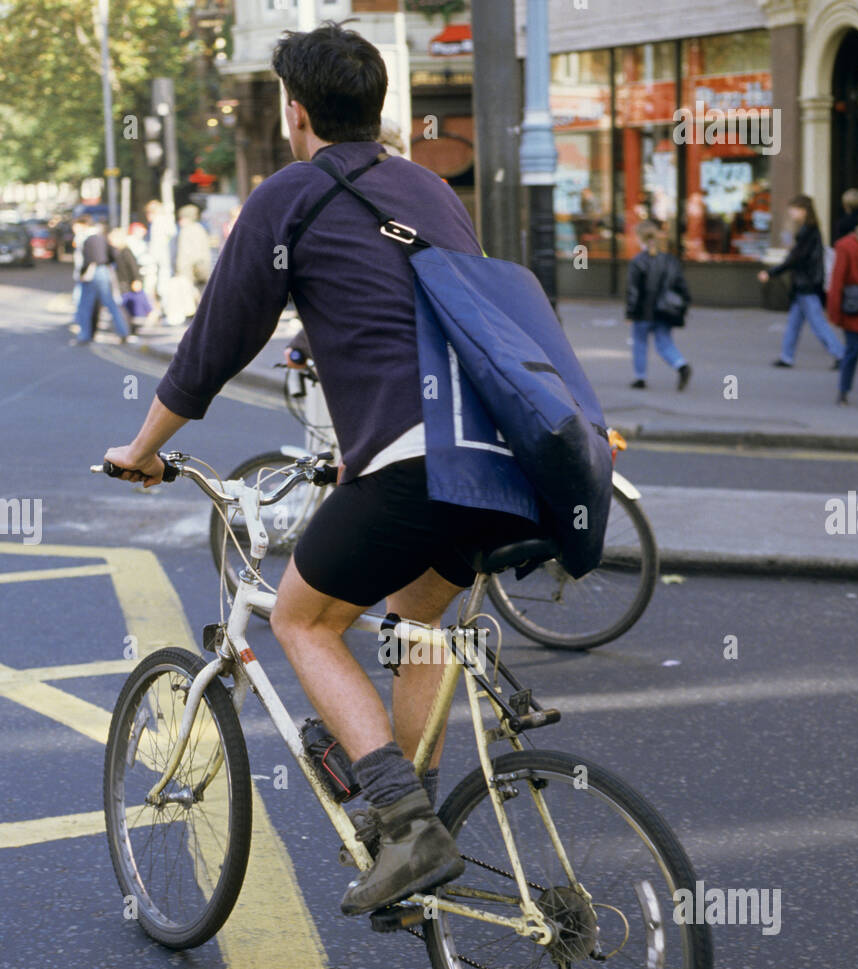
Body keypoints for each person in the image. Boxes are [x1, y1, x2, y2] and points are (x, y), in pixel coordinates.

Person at [102, 23, 550, 918]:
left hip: (416, 464)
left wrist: (142, 450)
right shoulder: (424, 186)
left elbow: (212, 348)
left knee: (304, 621)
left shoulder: (289, 196)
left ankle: (406, 824)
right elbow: (426, 306)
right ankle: (403, 830)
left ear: (295, 112)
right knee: (415, 619)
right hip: (500, 461)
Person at [757, 195, 843, 368]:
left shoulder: (808, 231)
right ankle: (787, 356)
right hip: (803, 284)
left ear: (803, 210)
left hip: (806, 285)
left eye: (794, 209)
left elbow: (795, 258)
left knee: (817, 323)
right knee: (794, 323)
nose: (791, 213)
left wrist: (771, 272)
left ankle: (840, 354)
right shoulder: (809, 230)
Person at [625, 219, 692, 390]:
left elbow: (633, 291)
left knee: (640, 343)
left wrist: (630, 313)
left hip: (643, 311)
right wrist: (682, 306)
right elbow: (681, 286)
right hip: (665, 310)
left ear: (640, 238)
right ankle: (681, 365)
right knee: (664, 342)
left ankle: (640, 377)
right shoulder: (670, 260)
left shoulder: (638, 261)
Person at [72, 221, 136, 345]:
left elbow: (86, 260)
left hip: (92, 273)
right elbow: (113, 254)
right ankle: (124, 332)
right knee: (110, 303)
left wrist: (81, 274)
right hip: (104, 271)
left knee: (85, 305)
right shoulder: (103, 238)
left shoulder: (87, 240)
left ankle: (84, 335)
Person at [826, 206, 858, 404]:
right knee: (852, 351)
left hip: (853, 306)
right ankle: (843, 389)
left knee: (852, 351)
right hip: (855, 308)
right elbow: (837, 281)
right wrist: (835, 313)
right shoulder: (846, 246)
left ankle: (843, 391)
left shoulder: (846, 245)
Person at [174, 204, 212, 304]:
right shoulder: (200, 228)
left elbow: (184, 253)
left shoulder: (185, 231)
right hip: (203, 267)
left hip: (190, 270)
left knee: (193, 298)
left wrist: (180, 270)